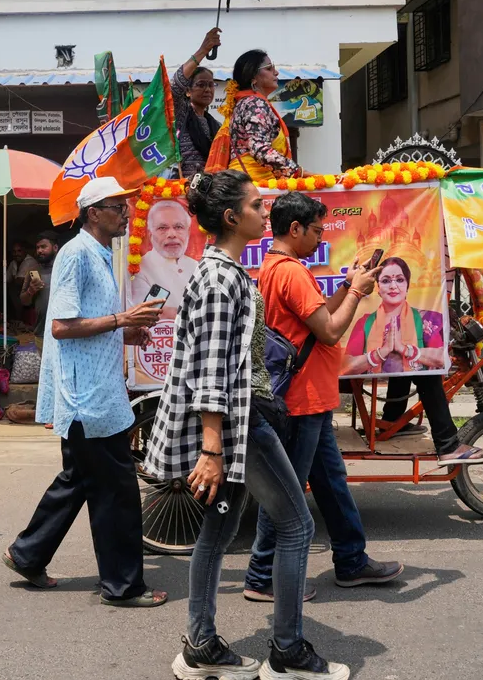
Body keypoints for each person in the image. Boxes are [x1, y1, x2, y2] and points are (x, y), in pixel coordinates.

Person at [144, 170, 350, 680]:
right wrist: (212, 449)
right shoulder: (219, 279)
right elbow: (212, 370)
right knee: (297, 524)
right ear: (233, 217)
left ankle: (201, 644)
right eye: (258, 205)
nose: (266, 212)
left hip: (240, 419)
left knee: (217, 530)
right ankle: (288, 653)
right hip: (242, 422)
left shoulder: (226, 272)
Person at [3, 176, 169, 609]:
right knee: (115, 491)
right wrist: (121, 320)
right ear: (93, 212)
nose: (125, 213)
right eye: (117, 206)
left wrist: (127, 332)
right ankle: (122, 585)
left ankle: (27, 553)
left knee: (78, 478)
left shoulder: (96, 253)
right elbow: (61, 326)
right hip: (88, 398)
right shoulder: (76, 254)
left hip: (94, 390)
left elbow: (89, 323)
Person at [242, 192, 403, 603]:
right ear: (293, 229)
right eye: (315, 231)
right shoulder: (291, 272)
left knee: (331, 483)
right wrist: (356, 293)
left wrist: (350, 286)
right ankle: (262, 575)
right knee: (286, 490)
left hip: (311, 398)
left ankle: (351, 561)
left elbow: (318, 320)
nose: (319, 238)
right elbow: (331, 331)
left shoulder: (282, 268)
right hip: (300, 401)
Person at [347, 258, 483, 466]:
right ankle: (447, 445)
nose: (393, 286)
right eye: (386, 280)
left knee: (421, 368)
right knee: (425, 374)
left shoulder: (430, 318)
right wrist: (381, 352)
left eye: (399, 279)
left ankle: (392, 420)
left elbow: (438, 356)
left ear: (408, 285)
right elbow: (345, 365)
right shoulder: (363, 322)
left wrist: (406, 349)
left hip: (402, 362)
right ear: (377, 287)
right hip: (352, 377)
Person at [205, 49, 299, 184]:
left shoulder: (244, 102)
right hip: (255, 185)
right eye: (269, 68)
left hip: (244, 183)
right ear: (253, 77)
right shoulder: (255, 103)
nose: (276, 72)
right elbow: (259, 148)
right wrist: (296, 171)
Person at [129, 199, 200, 316]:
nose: (172, 234)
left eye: (178, 227)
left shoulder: (196, 267)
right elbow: (146, 313)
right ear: (151, 235)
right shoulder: (140, 269)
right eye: (162, 228)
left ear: (187, 232)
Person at [173, 27, 224, 177]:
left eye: (211, 85)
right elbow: (175, 86)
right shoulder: (181, 113)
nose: (208, 90)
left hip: (209, 191)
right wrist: (203, 50)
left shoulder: (215, 125)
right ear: (188, 91)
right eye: (201, 85)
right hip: (182, 191)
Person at [19, 230, 59, 334]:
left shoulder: (64, 268)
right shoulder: (33, 270)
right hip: (41, 332)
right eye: (37, 248)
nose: (39, 251)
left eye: (43, 247)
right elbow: (24, 301)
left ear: (55, 248)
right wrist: (30, 291)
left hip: (64, 332)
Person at [7, 241, 40, 313]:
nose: (16, 254)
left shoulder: (29, 261)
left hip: (32, 298)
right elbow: (6, 280)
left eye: (19, 251)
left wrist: (13, 281)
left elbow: (19, 282)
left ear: (24, 250)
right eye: (14, 251)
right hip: (19, 297)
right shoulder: (13, 263)